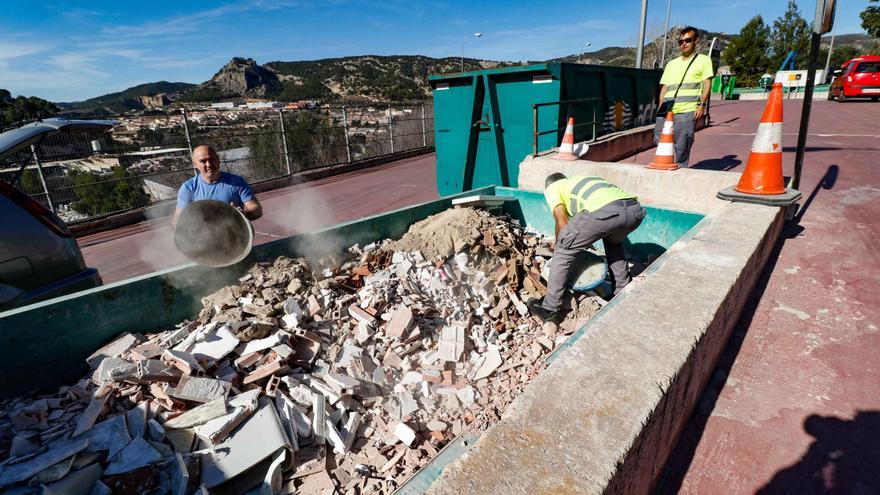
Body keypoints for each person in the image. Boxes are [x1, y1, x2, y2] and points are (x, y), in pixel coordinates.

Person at [528, 173, 646, 322]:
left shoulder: (553, 187)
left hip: (605, 211)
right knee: (613, 244)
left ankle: (550, 309)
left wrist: (561, 245)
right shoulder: (580, 181)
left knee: (563, 250)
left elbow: (562, 220)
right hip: (634, 210)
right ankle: (622, 291)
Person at [654, 26, 714, 168]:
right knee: (659, 138)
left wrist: (702, 105)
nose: (684, 44)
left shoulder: (703, 61)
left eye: (688, 40)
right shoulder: (671, 64)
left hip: (687, 109)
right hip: (667, 108)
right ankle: (663, 165)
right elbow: (665, 87)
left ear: (696, 41)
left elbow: (707, 84)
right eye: (681, 41)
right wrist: (660, 106)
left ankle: (681, 169)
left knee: (682, 143)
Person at [172, 145, 263, 229]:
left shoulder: (236, 182)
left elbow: (257, 210)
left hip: (236, 240)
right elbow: (176, 223)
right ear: (194, 164)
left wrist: (241, 214)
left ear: (218, 159)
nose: (208, 165)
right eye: (203, 161)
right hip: (206, 243)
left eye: (211, 159)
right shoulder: (188, 188)